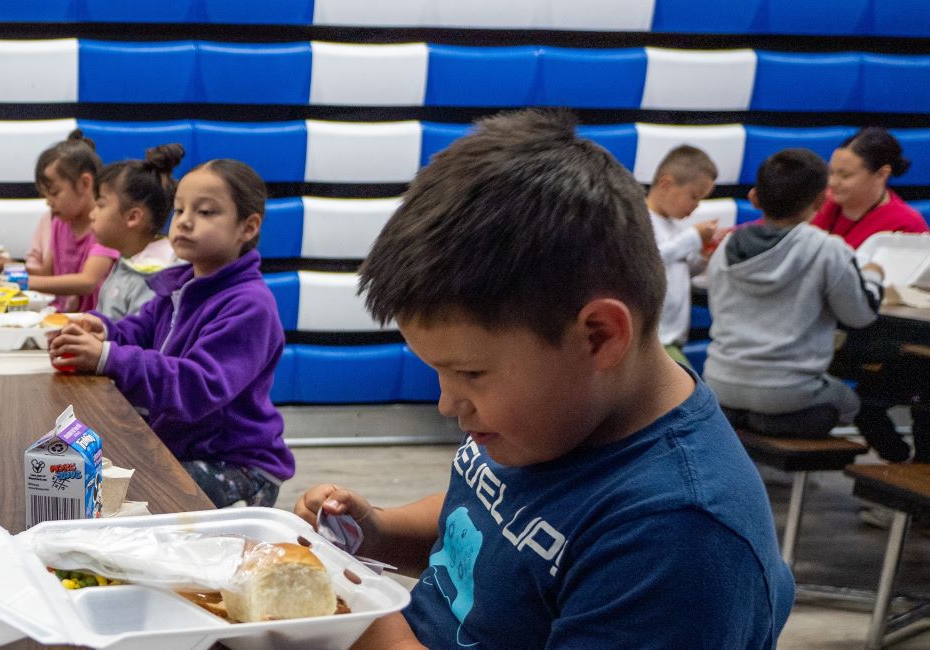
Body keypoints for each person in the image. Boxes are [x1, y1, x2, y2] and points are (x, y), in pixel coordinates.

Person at [293, 110, 790, 648]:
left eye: (469, 372)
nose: (447, 401)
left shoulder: (679, 538)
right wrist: (381, 534)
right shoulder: (554, 418)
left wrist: (356, 612)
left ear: (599, 336)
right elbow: (494, 521)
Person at [49, 159, 292, 508]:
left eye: (206, 212)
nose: (185, 221)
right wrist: (103, 329)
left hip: (236, 465)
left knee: (118, 500)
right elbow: (141, 329)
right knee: (86, 475)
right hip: (182, 445)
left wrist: (108, 356)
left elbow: (197, 385)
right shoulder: (181, 284)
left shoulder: (250, 305)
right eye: (180, 210)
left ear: (248, 227)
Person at [707, 148, 884, 438]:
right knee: (850, 403)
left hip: (720, 383)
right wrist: (874, 276)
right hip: (788, 393)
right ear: (819, 199)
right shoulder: (827, 249)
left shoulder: (726, 247)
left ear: (754, 198)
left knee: (764, 403)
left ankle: (752, 418)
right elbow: (860, 315)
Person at [0, 130, 117, 312]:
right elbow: (47, 273)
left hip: (92, 325)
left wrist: (22, 282)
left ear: (85, 183)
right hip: (59, 318)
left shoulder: (103, 228)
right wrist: (11, 266)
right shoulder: (60, 222)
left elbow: (87, 281)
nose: (48, 202)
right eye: (45, 195)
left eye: (54, 193)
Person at [88, 144, 184, 320]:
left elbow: (139, 342)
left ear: (133, 217)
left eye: (100, 205)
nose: (91, 214)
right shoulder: (129, 260)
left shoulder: (155, 279)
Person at [645, 145, 719, 365]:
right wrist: (693, 238)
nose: (695, 207)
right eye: (694, 197)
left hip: (671, 340)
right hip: (654, 341)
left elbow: (679, 269)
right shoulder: (639, 219)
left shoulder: (674, 227)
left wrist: (703, 254)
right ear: (666, 184)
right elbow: (647, 260)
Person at [811, 127, 927, 251]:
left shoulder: (908, 226)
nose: (832, 182)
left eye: (845, 176)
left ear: (882, 174)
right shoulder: (818, 201)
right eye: (831, 172)